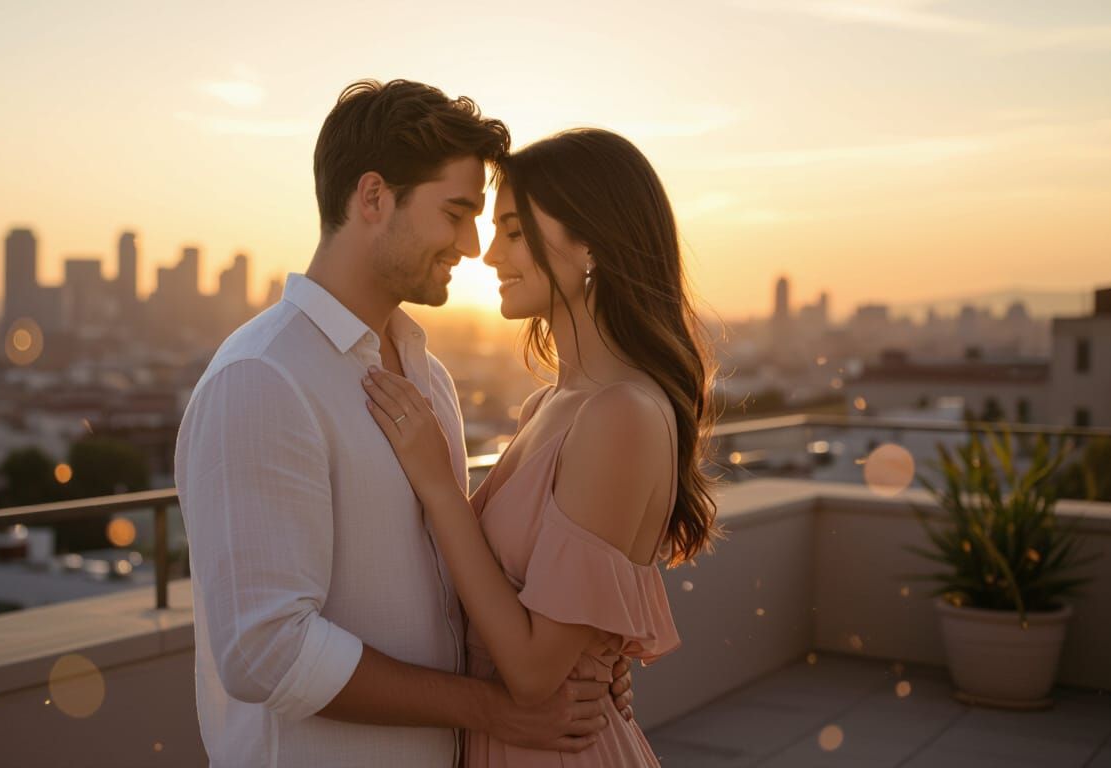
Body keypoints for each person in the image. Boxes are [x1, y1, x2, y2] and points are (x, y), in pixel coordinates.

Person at [174, 81, 631, 768]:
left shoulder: (428, 377)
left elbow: (459, 582)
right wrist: (495, 708)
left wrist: (584, 657)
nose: (473, 245)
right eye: (456, 213)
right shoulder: (263, 380)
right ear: (374, 198)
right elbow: (266, 652)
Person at [361, 128, 721, 766]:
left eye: (516, 231)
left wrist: (440, 486)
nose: (491, 254)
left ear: (591, 244)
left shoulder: (620, 416)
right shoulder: (550, 405)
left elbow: (532, 673)